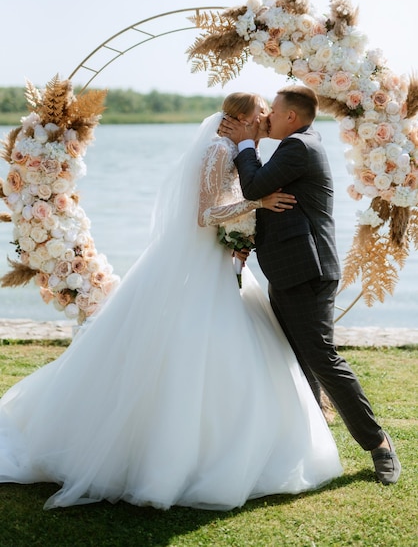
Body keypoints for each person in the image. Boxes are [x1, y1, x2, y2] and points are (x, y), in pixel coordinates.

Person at [0, 92, 343, 511]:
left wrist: (249, 219)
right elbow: (204, 214)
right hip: (203, 264)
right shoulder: (218, 150)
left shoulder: (235, 149)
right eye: (259, 113)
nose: (265, 118)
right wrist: (256, 202)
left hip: (220, 263)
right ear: (239, 119)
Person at [219, 84, 401, 485]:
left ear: (290, 117)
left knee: (322, 358)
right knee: (294, 356)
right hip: (287, 269)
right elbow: (259, 197)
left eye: (273, 111)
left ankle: (379, 444)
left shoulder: (299, 147)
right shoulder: (295, 144)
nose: (265, 118)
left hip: (308, 271)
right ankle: (313, 433)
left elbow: (253, 187)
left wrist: (247, 143)